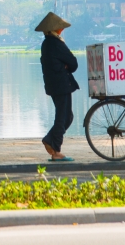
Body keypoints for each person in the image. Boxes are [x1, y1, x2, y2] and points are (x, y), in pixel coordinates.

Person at [35, 11, 78, 161]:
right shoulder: (56, 44)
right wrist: (66, 65)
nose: (62, 30)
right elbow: (73, 63)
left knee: (67, 116)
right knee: (63, 117)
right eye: (60, 28)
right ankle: (56, 151)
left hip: (54, 86)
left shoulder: (46, 44)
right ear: (55, 29)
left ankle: (50, 139)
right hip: (62, 85)